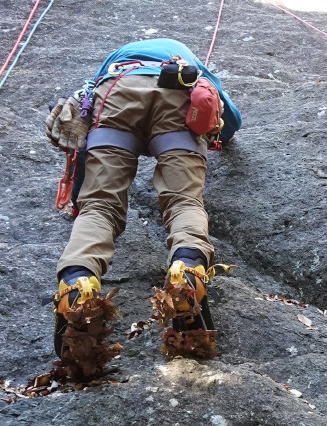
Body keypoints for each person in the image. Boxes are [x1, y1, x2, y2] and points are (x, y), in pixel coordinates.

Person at [43, 38, 241, 379]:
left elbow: (89, 109)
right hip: (179, 97)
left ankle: (77, 284)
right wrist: (224, 135)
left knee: (100, 206)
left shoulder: (117, 58)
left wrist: (81, 201)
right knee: (184, 201)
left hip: (117, 93)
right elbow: (230, 116)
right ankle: (186, 269)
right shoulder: (186, 58)